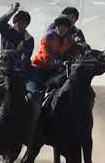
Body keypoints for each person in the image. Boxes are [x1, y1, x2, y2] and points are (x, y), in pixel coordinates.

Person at [0, 2, 34, 139]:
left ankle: (29, 132)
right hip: (2, 76)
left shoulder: (28, 40)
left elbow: (25, 58)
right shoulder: (7, 31)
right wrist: (12, 10)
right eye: (19, 22)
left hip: (18, 78)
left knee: (30, 102)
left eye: (24, 23)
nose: (21, 26)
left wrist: (18, 60)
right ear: (14, 22)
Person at [26, 14, 76, 146]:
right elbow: (45, 57)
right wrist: (61, 63)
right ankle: (30, 129)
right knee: (36, 96)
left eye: (65, 27)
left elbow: (72, 54)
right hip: (38, 71)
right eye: (61, 26)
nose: (63, 29)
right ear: (56, 26)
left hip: (54, 73)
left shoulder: (69, 40)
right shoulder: (48, 37)